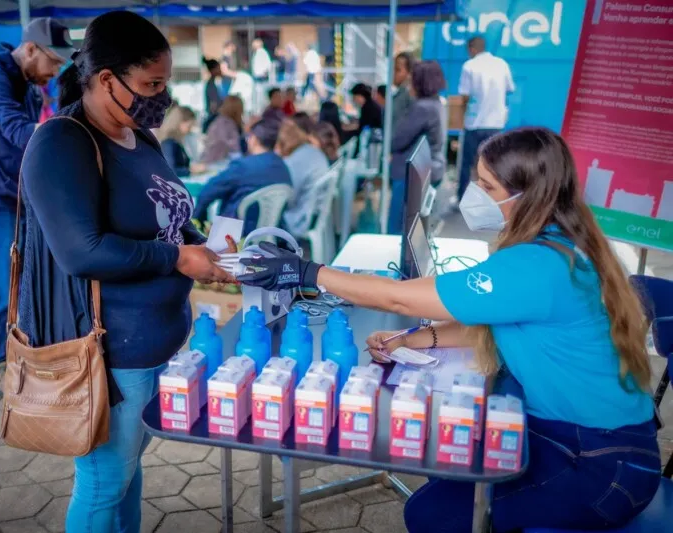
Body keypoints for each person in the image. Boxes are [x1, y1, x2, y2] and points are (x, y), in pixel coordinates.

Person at [237, 127, 660, 533]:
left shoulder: (537, 266)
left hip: (598, 466)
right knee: (447, 468)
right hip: (586, 442)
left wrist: (308, 271)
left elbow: (398, 298)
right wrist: (415, 339)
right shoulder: (560, 241)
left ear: (528, 195)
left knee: (432, 515)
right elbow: (493, 315)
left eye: (487, 187)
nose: (475, 196)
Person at [20, 12, 233, 532]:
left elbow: (167, 220)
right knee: (102, 482)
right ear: (108, 79)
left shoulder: (141, 139)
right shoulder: (63, 143)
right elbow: (82, 252)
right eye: (150, 85)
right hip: (110, 354)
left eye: (165, 84)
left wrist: (205, 247)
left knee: (126, 474)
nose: (160, 98)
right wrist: (179, 259)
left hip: (157, 342)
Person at [0, 17, 72, 396]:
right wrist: (67, 134)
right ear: (29, 49)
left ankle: (18, 355)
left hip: (13, 196)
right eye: (53, 62)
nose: (55, 71)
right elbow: (16, 130)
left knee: (22, 281)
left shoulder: (23, 80)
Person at [193, 119, 290, 234]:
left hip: (234, 235)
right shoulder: (283, 167)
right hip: (272, 235)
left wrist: (196, 224)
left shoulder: (243, 166)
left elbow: (207, 192)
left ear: (253, 139)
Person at [387, 61, 448, 234]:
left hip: (412, 173)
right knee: (416, 230)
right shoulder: (437, 104)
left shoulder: (422, 108)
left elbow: (397, 140)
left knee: (398, 229)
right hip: (428, 169)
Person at [456, 36, 515, 206]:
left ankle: (463, 200)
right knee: (493, 165)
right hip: (495, 124)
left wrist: (462, 113)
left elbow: (464, 96)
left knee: (468, 164)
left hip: (474, 124)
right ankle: (495, 201)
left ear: (472, 49)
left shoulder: (469, 66)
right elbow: (510, 88)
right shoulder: (501, 64)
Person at [278, 114, 330, 237]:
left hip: (299, 219)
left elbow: (288, 197)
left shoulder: (296, 160)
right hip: (313, 213)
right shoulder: (312, 152)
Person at [199, 94, 244, 164]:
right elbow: (231, 146)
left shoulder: (221, 121)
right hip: (215, 163)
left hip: (212, 161)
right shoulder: (225, 123)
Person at [157, 105, 196, 176]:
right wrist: (191, 171)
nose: (190, 129)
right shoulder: (168, 142)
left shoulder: (175, 141)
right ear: (180, 123)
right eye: (189, 126)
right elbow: (171, 170)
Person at [350, 83, 382, 157]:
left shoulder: (368, 107)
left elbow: (363, 127)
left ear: (360, 96)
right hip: (371, 142)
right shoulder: (369, 105)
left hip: (371, 144)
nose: (354, 100)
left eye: (354, 97)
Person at [391, 51, 416, 123]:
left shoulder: (410, 96)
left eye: (397, 70)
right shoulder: (399, 94)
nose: (393, 73)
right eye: (392, 69)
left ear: (410, 73)